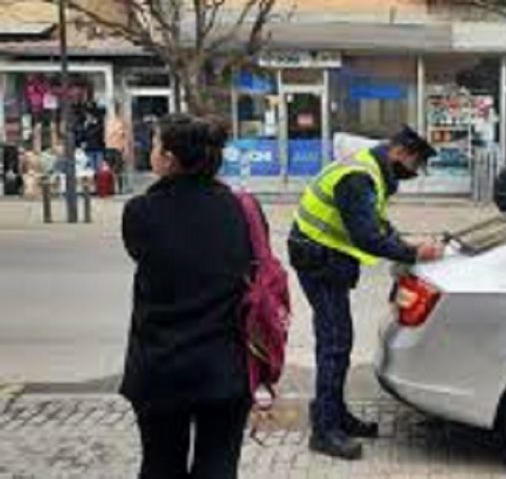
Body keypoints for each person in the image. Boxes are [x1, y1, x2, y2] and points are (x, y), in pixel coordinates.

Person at [289, 125, 444, 460]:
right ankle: (325, 430)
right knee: (335, 344)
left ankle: (335, 414)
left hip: (324, 258)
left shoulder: (370, 168)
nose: (414, 173)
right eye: (415, 164)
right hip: (318, 261)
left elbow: (375, 221)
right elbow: (367, 237)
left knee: (337, 342)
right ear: (400, 152)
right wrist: (414, 253)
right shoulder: (359, 177)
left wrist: (403, 240)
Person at [121, 113, 258, 479]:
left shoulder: (140, 212)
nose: (151, 152)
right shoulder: (241, 208)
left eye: (154, 144)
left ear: (169, 158)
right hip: (223, 363)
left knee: (160, 465)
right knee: (218, 466)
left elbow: (143, 254)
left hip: (160, 365)